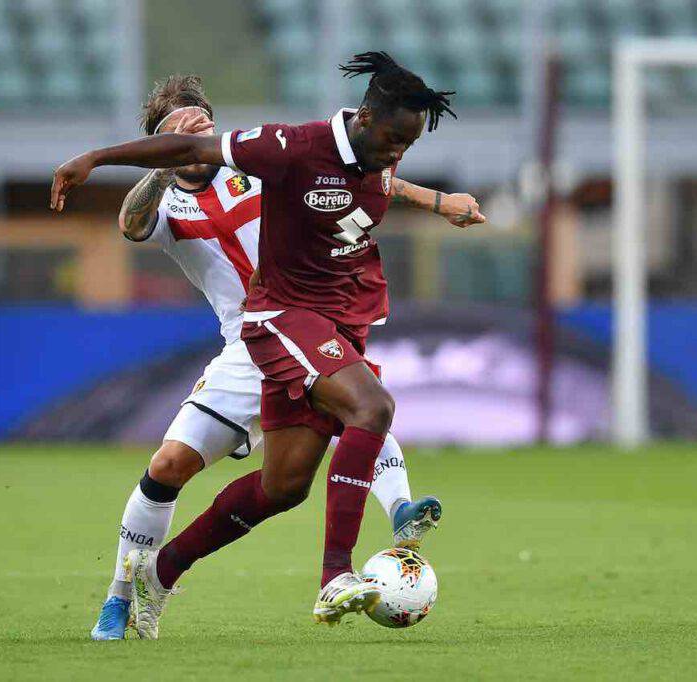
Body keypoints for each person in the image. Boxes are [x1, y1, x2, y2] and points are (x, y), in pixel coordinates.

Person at [86, 74, 485, 640]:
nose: (202, 132)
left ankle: (394, 513)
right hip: (244, 348)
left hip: (306, 325)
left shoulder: (255, 168)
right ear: (163, 143)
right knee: (169, 469)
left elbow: (362, 176)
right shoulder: (165, 206)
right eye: (184, 130)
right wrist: (165, 158)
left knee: (348, 419)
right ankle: (121, 595)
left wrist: (439, 201)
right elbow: (130, 225)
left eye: (205, 123)